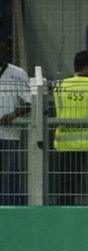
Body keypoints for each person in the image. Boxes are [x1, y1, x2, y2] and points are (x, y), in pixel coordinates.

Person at [52, 50, 88, 206]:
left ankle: (63, 218)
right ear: (87, 67)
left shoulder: (60, 86)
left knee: (66, 188)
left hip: (66, 145)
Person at [0, 40, 30, 205]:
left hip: (8, 135)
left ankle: (12, 211)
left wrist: (13, 114)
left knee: (7, 175)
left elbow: (30, 103)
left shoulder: (17, 73)